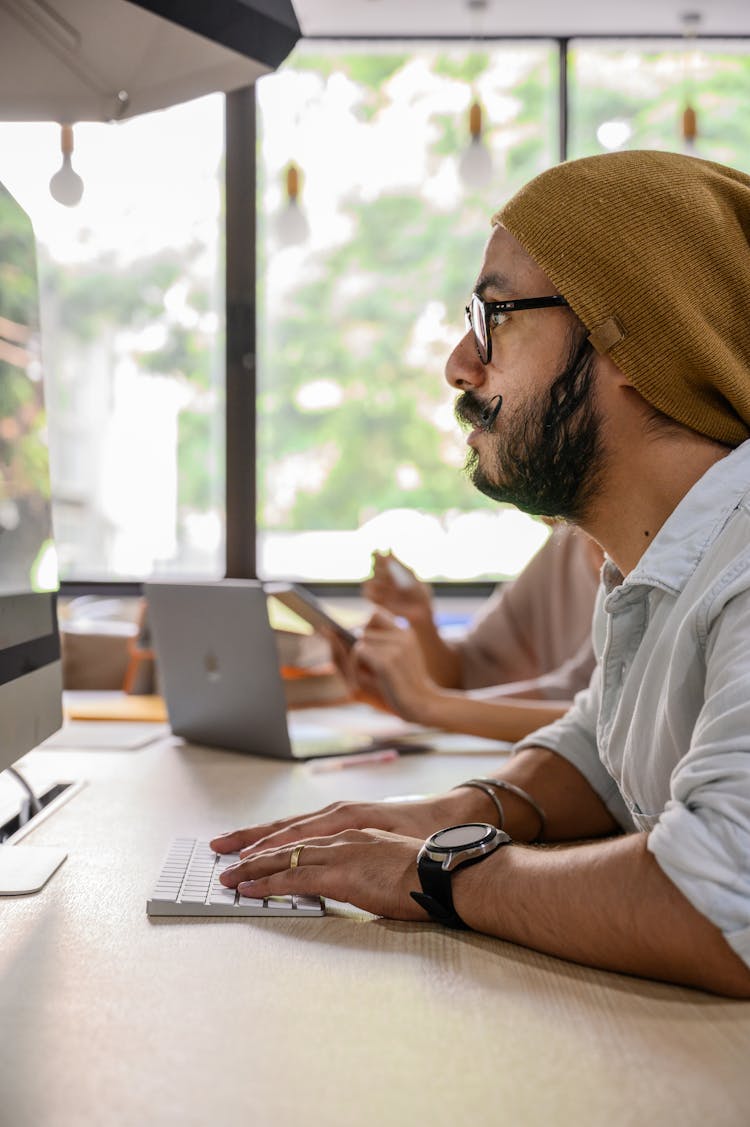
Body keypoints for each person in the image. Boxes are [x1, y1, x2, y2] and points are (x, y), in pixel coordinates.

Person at [214, 150, 750, 998]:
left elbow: (723, 900)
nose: (461, 363)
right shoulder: (658, 565)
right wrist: (450, 810)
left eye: (495, 313)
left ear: (633, 339)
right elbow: (603, 753)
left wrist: (434, 872)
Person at [336, 526, 602, 742]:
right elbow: (467, 673)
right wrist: (421, 622)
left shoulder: (637, 554)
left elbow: (600, 716)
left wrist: (427, 704)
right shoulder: (567, 542)